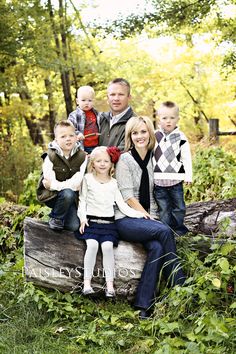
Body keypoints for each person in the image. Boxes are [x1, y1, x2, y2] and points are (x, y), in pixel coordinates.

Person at [115, 115, 186, 319]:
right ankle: (179, 286)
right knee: (164, 231)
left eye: (143, 132)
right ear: (130, 136)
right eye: (135, 133)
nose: (140, 136)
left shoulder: (155, 158)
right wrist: (146, 217)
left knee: (156, 247)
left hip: (149, 217)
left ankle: (143, 305)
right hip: (126, 219)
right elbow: (128, 196)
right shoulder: (124, 160)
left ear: (150, 134)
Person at [75, 146, 145, 298]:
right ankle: (87, 283)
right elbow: (82, 201)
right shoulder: (87, 179)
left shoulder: (113, 183)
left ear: (111, 164)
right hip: (91, 222)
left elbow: (122, 205)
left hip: (108, 224)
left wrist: (139, 214)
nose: (102, 164)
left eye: (106, 161)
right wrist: (82, 218)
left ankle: (110, 286)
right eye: (98, 161)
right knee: (92, 245)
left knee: (107, 247)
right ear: (92, 163)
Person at [37, 120, 87, 231]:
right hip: (51, 196)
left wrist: (56, 185)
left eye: (71, 135)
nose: (68, 139)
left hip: (69, 198)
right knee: (68, 193)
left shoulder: (82, 156)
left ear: (76, 137)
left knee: (74, 226)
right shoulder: (50, 156)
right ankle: (56, 217)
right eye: (63, 136)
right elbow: (48, 183)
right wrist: (68, 186)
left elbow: (77, 183)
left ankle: (61, 213)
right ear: (56, 139)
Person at [153, 101, 192, 236]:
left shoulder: (181, 137)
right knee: (163, 208)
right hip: (158, 180)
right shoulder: (154, 136)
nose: (168, 121)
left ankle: (179, 230)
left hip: (176, 181)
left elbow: (186, 157)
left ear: (178, 119)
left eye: (172, 118)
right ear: (159, 118)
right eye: (164, 118)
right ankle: (166, 231)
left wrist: (188, 176)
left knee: (179, 207)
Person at [99, 78, 135, 151]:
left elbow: (121, 152)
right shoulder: (99, 119)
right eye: (112, 94)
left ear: (129, 97)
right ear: (107, 98)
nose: (116, 98)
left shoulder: (135, 123)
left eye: (121, 94)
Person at [68, 85, 100, 153]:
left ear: (93, 101)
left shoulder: (96, 113)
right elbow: (69, 129)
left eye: (90, 100)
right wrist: (77, 133)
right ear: (77, 101)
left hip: (96, 145)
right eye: (83, 100)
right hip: (82, 146)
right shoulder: (74, 115)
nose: (86, 103)